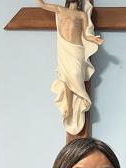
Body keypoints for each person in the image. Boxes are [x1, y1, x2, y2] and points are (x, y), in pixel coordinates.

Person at [36, 0, 104, 135]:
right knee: (65, 77)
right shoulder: (60, 10)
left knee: (76, 74)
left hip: (76, 49)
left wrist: (94, 39)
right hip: (64, 48)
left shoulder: (81, 15)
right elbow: (42, 5)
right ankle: (69, 106)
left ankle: (82, 97)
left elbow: (85, 35)